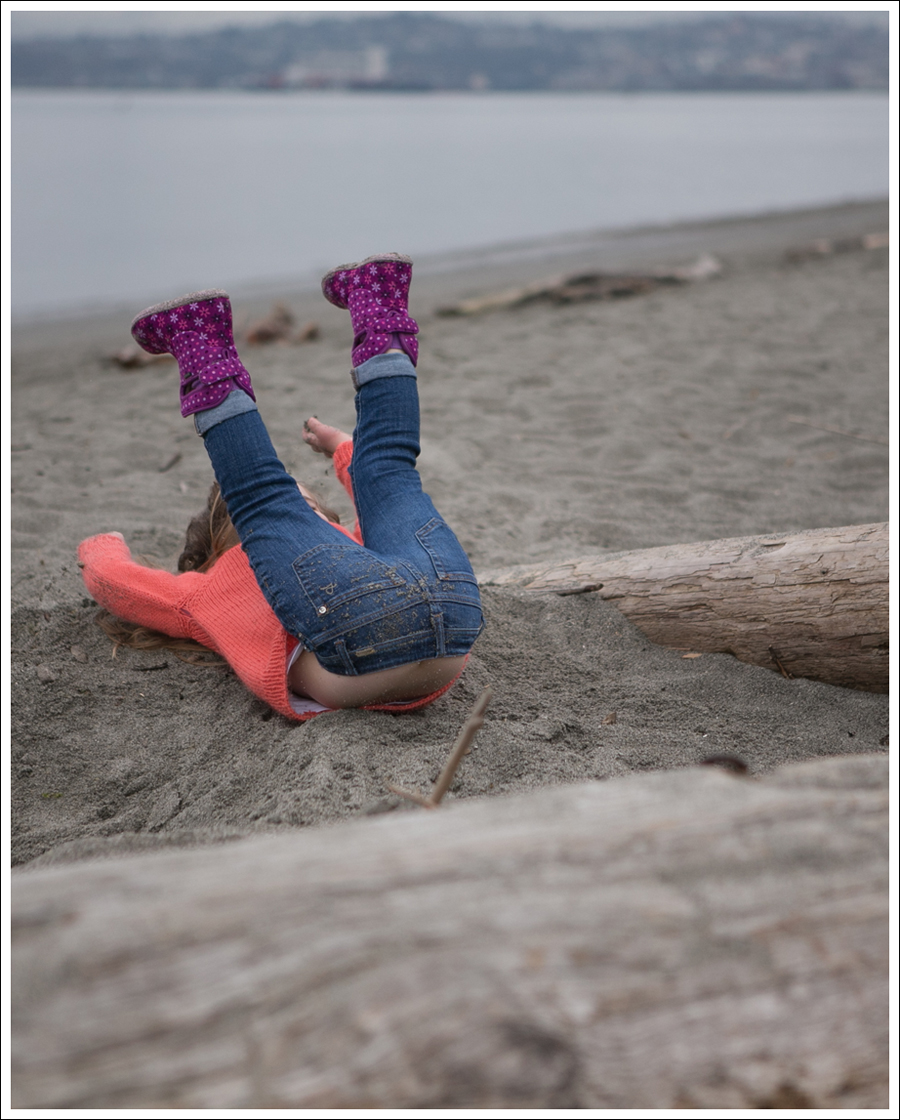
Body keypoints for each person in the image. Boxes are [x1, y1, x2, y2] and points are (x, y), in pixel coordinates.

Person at [78, 254, 484, 720]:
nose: (302, 509)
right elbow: (373, 498)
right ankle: (378, 301)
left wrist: (100, 550)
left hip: (377, 638)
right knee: (390, 469)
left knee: (261, 495)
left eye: (305, 505)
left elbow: (121, 586)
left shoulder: (212, 590)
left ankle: (198, 338)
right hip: (456, 607)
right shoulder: (307, 554)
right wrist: (342, 449)